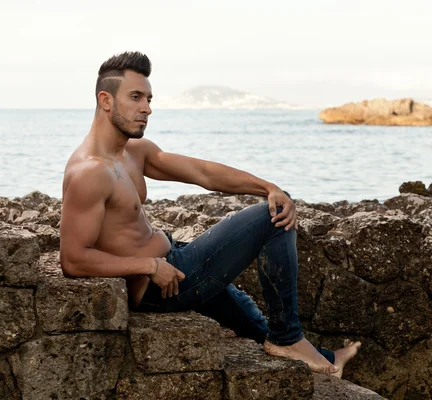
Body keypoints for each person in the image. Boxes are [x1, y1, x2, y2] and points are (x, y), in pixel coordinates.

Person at [59, 51, 360, 377]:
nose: (146, 108)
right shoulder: (90, 171)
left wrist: (266, 186)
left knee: (246, 312)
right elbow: (73, 259)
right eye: (135, 97)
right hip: (158, 286)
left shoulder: (132, 151)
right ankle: (289, 339)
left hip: (173, 257)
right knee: (270, 218)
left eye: (148, 98)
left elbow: (202, 172)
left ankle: (324, 359)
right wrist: (147, 265)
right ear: (105, 100)